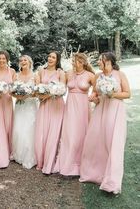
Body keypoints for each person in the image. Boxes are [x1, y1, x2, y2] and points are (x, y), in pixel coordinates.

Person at [80, 52, 131, 194]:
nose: (98, 62)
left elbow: (127, 93)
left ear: (108, 61)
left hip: (115, 111)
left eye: (100, 60)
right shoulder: (97, 76)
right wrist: (93, 98)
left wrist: (111, 94)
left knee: (112, 142)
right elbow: (96, 94)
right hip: (100, 110)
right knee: (96, 141)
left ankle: (112, 181)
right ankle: (96, 173)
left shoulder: (120, 75)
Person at [54, 53, 95, 176]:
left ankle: (80, 164)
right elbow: (61, 89)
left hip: (83, 108)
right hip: (70, 107)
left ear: (83, 62)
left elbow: (97, 91)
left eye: (77, 61)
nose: (74, 63)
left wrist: (93, 96)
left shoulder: (90, 75)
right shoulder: (68, 74)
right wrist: (55, 91)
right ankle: (67, 162)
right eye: (73, 61)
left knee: (81, 133)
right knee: (69, 134)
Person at [35, 51, 66, 174]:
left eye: (53, 57)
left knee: (54, 134)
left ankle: (51, 163)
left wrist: (47, 95)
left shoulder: (60, 72)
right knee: (42, 133)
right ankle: (41, 161)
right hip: (44, 104)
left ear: (57, 60)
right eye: (49, 56)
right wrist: (40, 95)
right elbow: (37, 88)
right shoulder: (41, 71)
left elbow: (63, 90)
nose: (50, 59)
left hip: (56, 105)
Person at [12, 55, 38, 169]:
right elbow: (11, 91)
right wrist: (18, 96)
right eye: (21, 60)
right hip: (19, 105)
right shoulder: (16, 76)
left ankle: (29, 155)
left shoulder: (35, 76)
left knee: (29, 129)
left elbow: (37, 92)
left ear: (30, 62)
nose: (23, 62)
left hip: (31, 105)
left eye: (25, 60)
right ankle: (19, 154)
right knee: (18, 129)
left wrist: (27, 94)